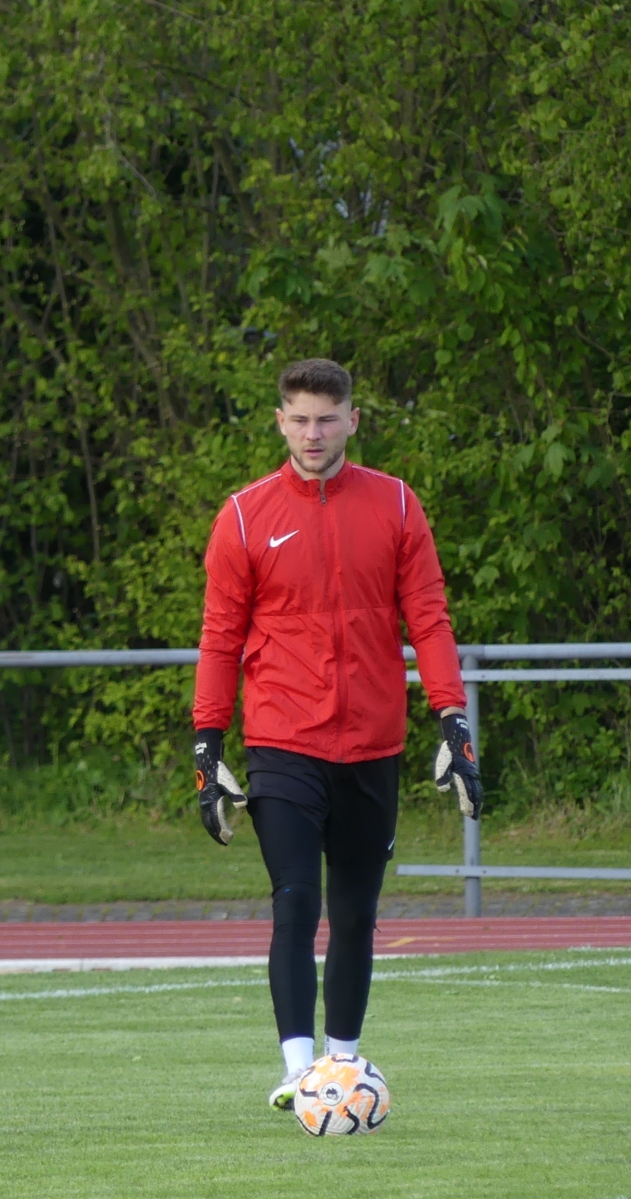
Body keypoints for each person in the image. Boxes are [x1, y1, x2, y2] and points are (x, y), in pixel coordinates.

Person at [192, 358, 483, 1110]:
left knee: (355, 913)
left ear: (353, 418)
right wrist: (206, 746)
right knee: (295, 899)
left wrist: (453, 720)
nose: (313, 433)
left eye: (327, 418)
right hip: (283, 740)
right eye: (299, 419)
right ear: (279, 422)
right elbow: (220, 638)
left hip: (373, 744)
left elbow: (429, 618)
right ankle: (300, 1074)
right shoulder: (244, 516)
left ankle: (343, 1070)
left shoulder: (396, 504)